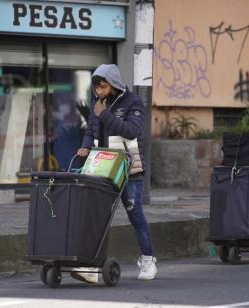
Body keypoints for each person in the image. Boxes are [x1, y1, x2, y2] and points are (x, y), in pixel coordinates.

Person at [73, 64, 157, 282]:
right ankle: (91, 267)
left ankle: (148, 259)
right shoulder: (97, 105)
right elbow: (91, 132)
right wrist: (85, 146)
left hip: (129, 169)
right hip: (103, 167)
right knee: (98, 217)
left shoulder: (133, 102)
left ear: (114, 84)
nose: (99, 92)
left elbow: (132, 131)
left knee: (135, 214)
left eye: (103, 87)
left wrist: (104, 115)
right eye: (96, 89)